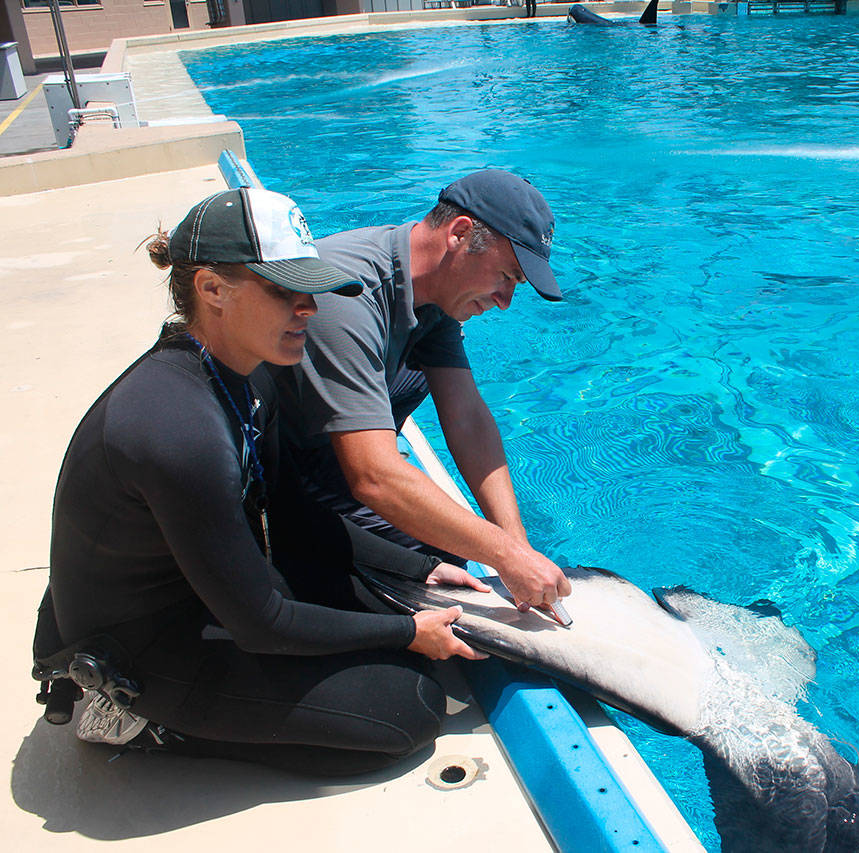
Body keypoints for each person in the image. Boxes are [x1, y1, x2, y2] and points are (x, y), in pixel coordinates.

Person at [34, 187, 490, 775]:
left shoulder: (247, 376)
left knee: (402, 624)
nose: (309, 309)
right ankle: (135, 721)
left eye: (312, 291)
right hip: (138, 644)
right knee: (407, 708)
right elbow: (262, 622)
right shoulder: (177, 427)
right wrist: (405, 632)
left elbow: (293, 513)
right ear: (212, 289)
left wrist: (418, 568)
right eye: (284, 290)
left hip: (203, 588)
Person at [273, 169, 571, 615]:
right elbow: (373, 476)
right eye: (507, 276)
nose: (506, 300)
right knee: (444, 602)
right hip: (286, 483)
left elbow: (467, 416)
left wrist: (516, 544)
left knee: (459, 565)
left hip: (343, 464)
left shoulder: (434, 294)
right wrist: (507, 557)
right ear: (460, 234)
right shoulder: (349, 293)